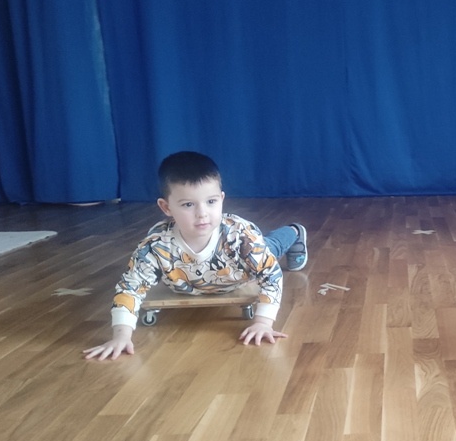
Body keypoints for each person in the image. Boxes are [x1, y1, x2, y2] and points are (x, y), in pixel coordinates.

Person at [84, 151, 308, 361]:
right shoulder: (155, 247)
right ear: (166, 207)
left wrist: (263, 323)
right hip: (201, 276)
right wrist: (121, 336)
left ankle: (294, 231)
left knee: (271, 247)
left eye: (211, 202)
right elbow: (130, 287)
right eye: (188, 204)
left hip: (240, 267)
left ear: (221, 199)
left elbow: (271, 276)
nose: (202, 213)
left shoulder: (242, 237)